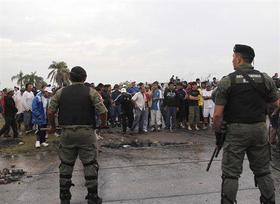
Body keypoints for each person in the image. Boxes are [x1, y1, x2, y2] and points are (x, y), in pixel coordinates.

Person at [213, 44, 280, 204]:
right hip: (259, 129)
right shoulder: (265, 79)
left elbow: (217, 115)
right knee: (263, 171)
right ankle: (269, 201)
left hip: (235, 131)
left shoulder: (228, 80)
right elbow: (277, 103)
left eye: (233, 57)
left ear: (239, 58)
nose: (232, 60)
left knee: (231, 174)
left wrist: (218, 133)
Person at [48, 66, 108, 204]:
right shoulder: (91, 92)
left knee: (66, 166)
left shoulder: (60, 92)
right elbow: (103, 111)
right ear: (85, 78)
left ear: (70, 77)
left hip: (66, 134)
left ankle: (64, 198)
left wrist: (52, 127)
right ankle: (92, 197)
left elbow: (51, 112)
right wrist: (103, 124)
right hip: (86, 133)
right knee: (90, 164)